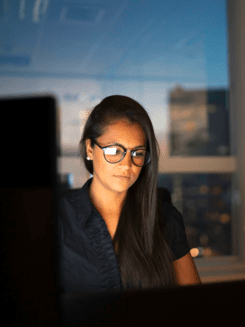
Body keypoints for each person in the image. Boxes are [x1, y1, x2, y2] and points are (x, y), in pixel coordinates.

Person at [59, 95, 200, 293]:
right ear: (90, 149)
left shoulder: (165, 217)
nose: (127, 165)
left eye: (138, 153)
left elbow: (195, 306)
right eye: (115, 151)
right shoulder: (58, 220)